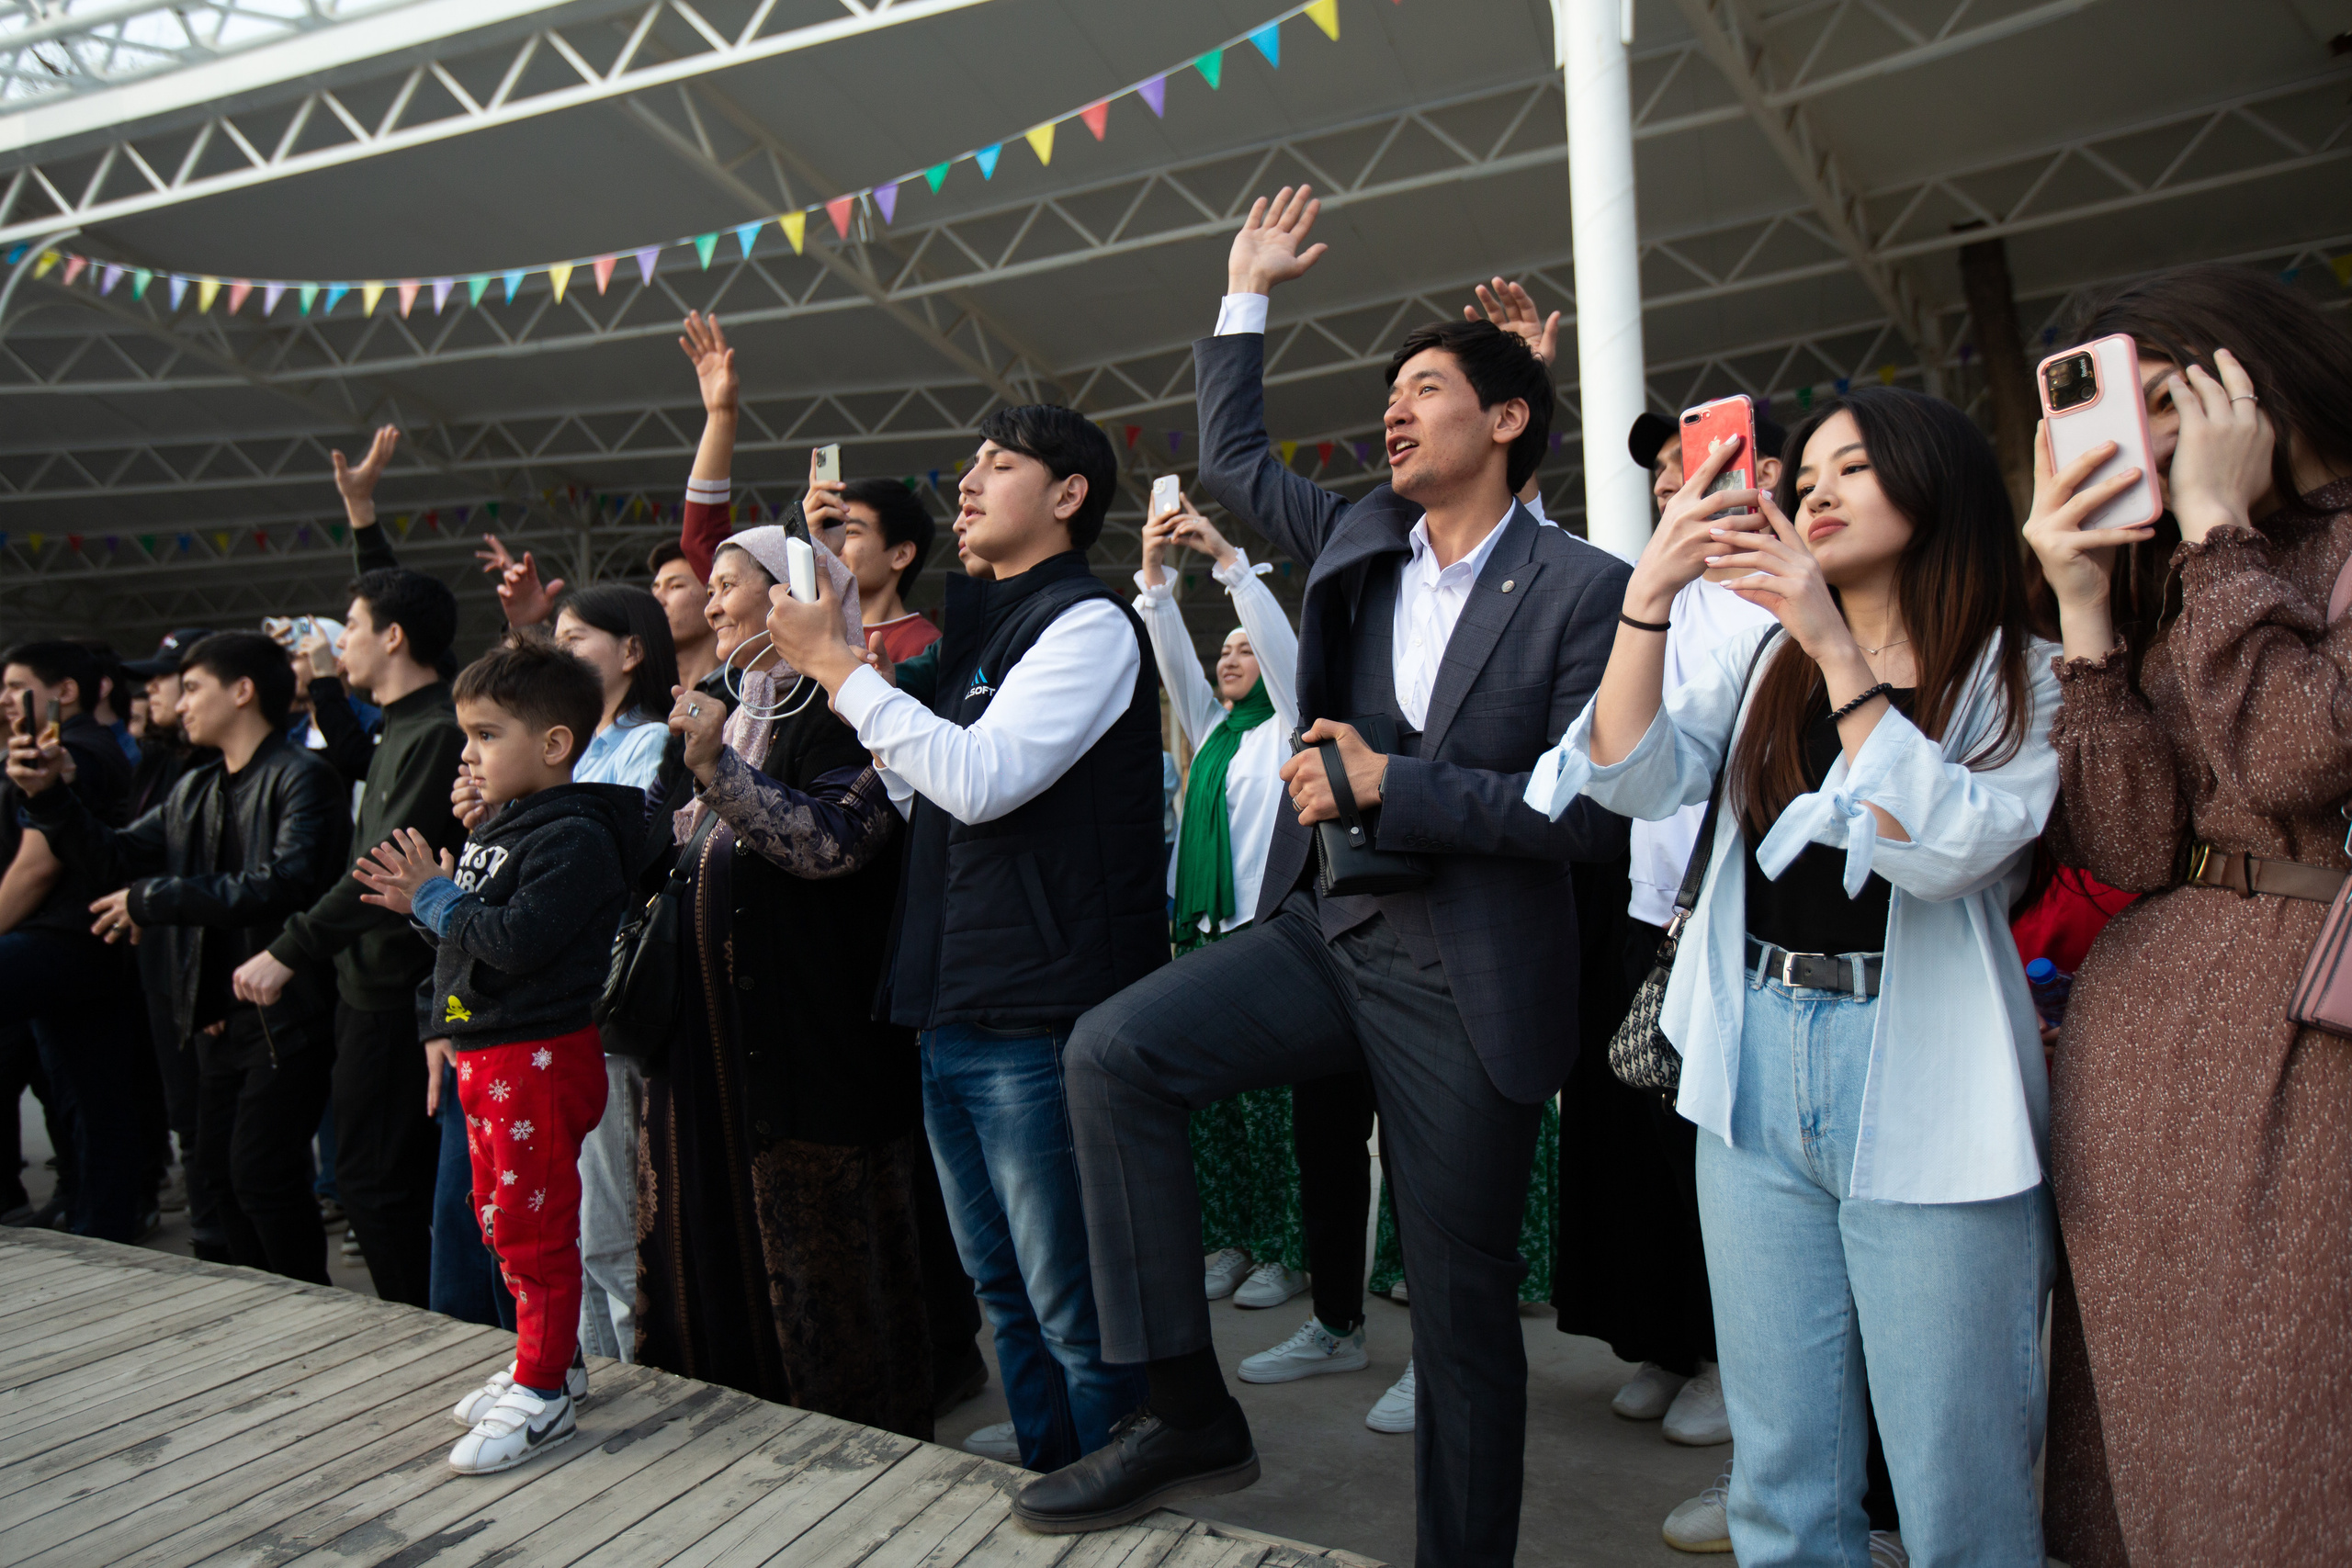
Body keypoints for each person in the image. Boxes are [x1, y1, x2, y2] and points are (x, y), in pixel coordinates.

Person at [1024, 187, 1629, 1561]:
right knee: (1113, 1053)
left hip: (1469, 979)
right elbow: (1235, 457)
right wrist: (1244, 293)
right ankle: (1188, 1412)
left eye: (1426, 390)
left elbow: (1589, 815)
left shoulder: (1585, 588)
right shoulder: (1358, 535)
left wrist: (1388, 784)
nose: (1395, 413)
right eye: (1390, 395)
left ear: (1509, 420)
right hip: (1331, 927)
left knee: (1461, 1315)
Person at [1531, 384, 2061, 1565]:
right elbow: (1632, 775)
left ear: (1936, 486)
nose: (1814, 492)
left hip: (1921, 1073)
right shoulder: (1764, 659)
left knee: (1956, 1467)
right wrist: (1649, 596)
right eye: (1805, 474)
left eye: (1850, 469)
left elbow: (1954, 850)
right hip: (1755, 1054)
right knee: (1780, 1468)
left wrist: (1830, 641)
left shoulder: (2019, 672)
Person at [2019, 265, 2352, 1568]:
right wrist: (2085, 604)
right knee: (2148, 1419)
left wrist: (2216, 530)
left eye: (2163, 399)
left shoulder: (2265, 551)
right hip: (2144, 1046)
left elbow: (2294, 756)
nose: (2143, 439)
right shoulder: (2194, 575)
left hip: (2305, 1041)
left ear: (2250, 375)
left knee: (2277, 1417)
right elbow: (2125, 846)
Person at [763, 403, 1162, 1477]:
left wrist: (843, 672)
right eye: (971, 464)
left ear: (1069, 495)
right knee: (1003, 1286)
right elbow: (918, 783)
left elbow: (982, 783)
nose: (969, 482)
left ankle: (1113, 1477)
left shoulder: (1086, 623)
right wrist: (830, 607)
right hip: (953, 999)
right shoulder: (984, 633)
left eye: (1000, 463)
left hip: (1038, 1009)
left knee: (1070, 1294)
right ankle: (1050, 1460)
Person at [630, 526, 933, 1435]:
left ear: (794, 595)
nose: (711, 602)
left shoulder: (847, 707)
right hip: (708, 1050)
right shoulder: (718, 707)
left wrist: (716, 770)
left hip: (811, 1044)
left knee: (825, 1281)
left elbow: (837, 840)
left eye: (729, 583)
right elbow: (668, 857)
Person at [351, 637, 638, 1475]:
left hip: (536, 1057)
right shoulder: (509, 825)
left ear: (554, 743)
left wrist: (436, 897)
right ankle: (555, 1363)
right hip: (494, 1053)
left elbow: (514, 940)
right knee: (502, 1220)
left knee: (533, 1226)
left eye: (485, 735)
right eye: (466, 735)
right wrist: (430, 904)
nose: (468, 755)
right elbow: (475, 945)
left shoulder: (574, 835)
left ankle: (543, 1392)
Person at [1135, 491, 1387, 1401]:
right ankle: (1242, 1243)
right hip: (1207, 938)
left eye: (1244, 648)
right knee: (1229, 1120)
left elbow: (1288, 663)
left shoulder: (1288, 723)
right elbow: (1171, 656)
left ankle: (1294, 1259)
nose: (1231, 658)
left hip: (1278, 940)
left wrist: (1230, 567)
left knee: (1296, 1125)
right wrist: (1155, 582)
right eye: (1224, 652)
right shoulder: (1211, 733)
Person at [10, 631, 352, 1282]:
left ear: (242, 691)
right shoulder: (196, 787)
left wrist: (153, 898)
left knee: (262, 1175)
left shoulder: (303, 776)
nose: (179, 702)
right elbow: (114, 855)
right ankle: (258, 1301)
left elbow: (286, 882)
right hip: (218, 1014)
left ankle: (309, 1302)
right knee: (219, 1177)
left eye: (192, 687)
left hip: (289, 1014)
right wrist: (49, 796)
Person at [229, 529, 468, 1309]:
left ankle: (423, 1336)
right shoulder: (401, 723)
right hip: (368, 987)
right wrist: (360, 518)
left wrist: (288, 948)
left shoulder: (436, 730)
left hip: (400, 992)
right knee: (378, 1181)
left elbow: (382, 864)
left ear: (393, 637)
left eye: (353, 626)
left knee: (375, 1183)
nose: (340, 642)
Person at [0, 640, 143, 1242]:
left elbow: (36, 868)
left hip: (68, 940)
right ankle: (98, 1222)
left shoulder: (76, 750)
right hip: (76, 947)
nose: (5, 699)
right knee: (87, 1095)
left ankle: (103, 1222)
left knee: (92, 1098)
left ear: (65, 691)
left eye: (17, 686)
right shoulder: (61, 747)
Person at [804, 457, 942, 663]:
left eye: (850, 532)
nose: (835, 544)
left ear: (901, 555)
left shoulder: (925, 648)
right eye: (831, 531)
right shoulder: (816, 633)